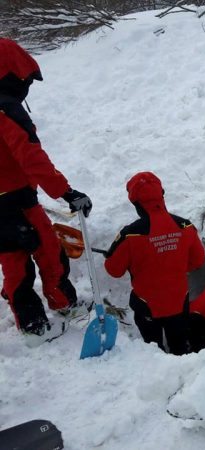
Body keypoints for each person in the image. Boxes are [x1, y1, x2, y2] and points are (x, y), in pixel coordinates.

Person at [0, 38, 92, 344]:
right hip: (7, 203)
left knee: (50, 250)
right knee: (17, 265)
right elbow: (30, 155)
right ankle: (32, 325)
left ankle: (64, 304)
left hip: (22, 197)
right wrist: (65, 192)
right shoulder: (6, 107)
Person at [104, 172, 205, 355]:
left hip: (146, 305)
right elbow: (198, 260)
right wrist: (175, 266)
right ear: (162, 194)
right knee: (180, 348)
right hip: (179, 301)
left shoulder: (130, 235)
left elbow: (114, 270)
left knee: (152, 351)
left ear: (135, 202)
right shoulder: (185, 226)